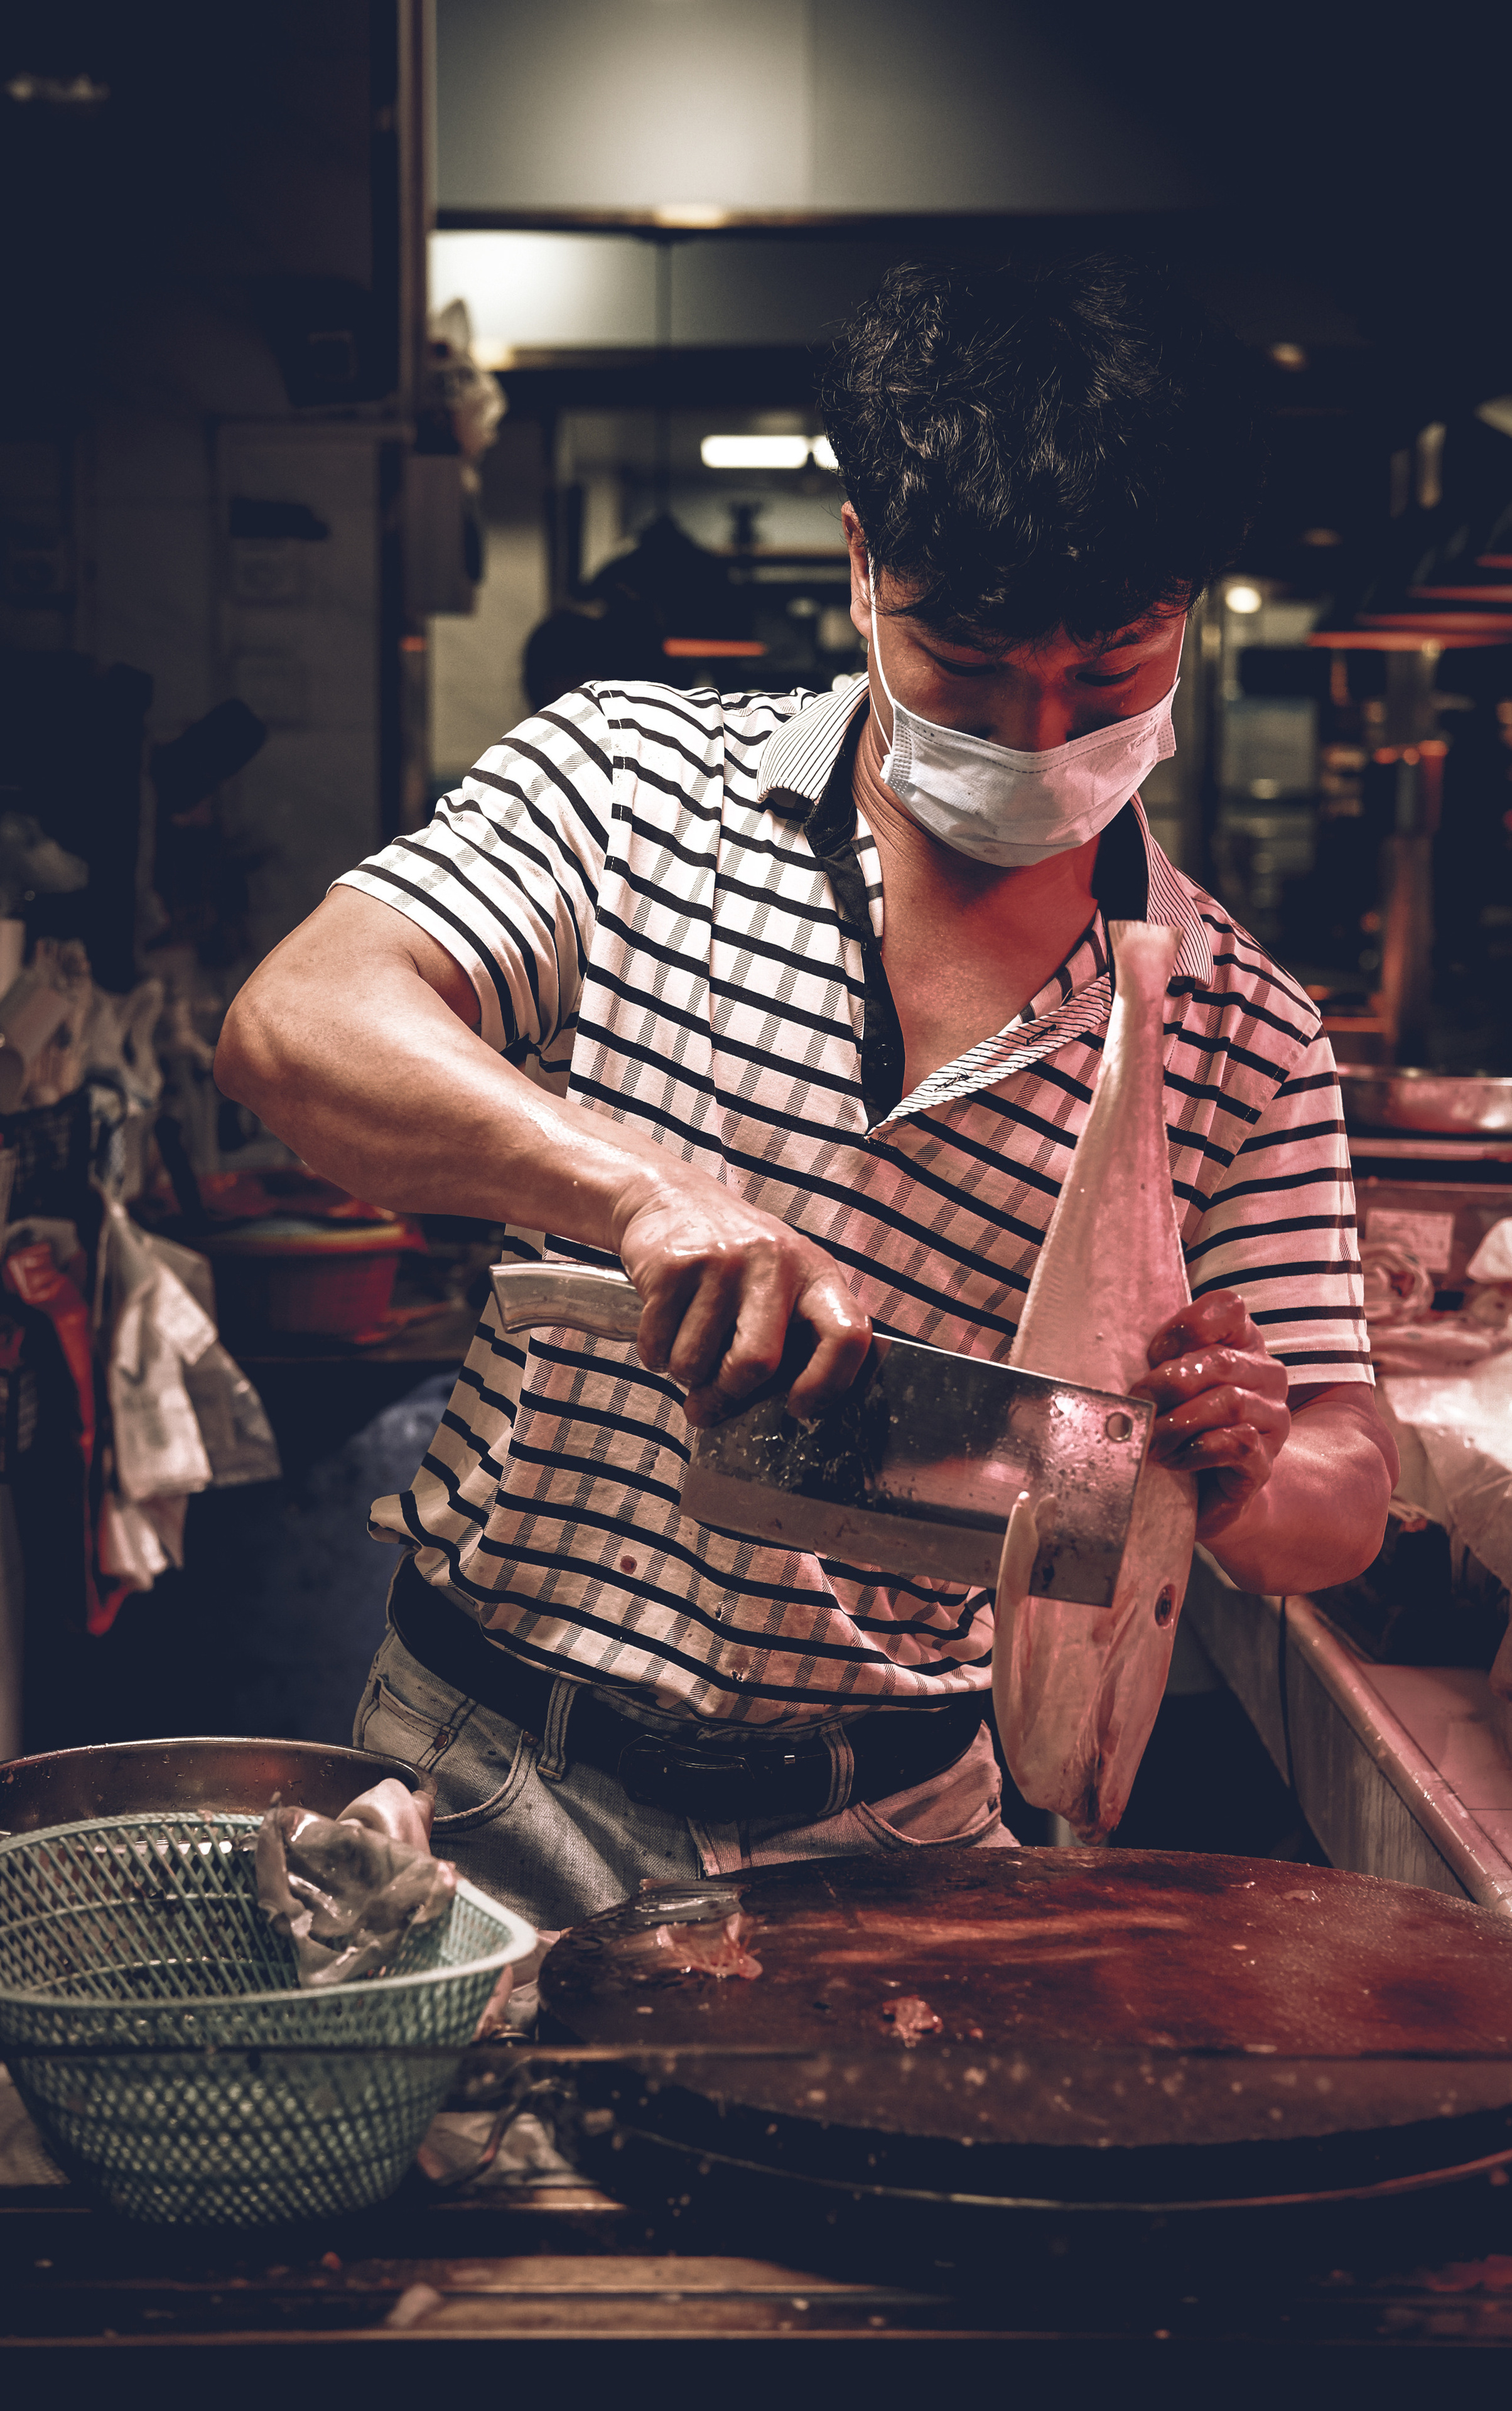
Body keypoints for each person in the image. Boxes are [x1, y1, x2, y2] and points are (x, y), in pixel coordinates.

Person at [216, 256, 1396, 1934]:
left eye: (1111, 670)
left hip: (898, 1834)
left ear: (1188, 613)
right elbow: (296, 1025)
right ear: (860, 567)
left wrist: (1249, 1464)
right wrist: (636, 1193)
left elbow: (1347, 1484)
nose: (1039, 734)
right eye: (971, 666)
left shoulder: (1238, 1027)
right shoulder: (626, 788)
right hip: (487, 1780)